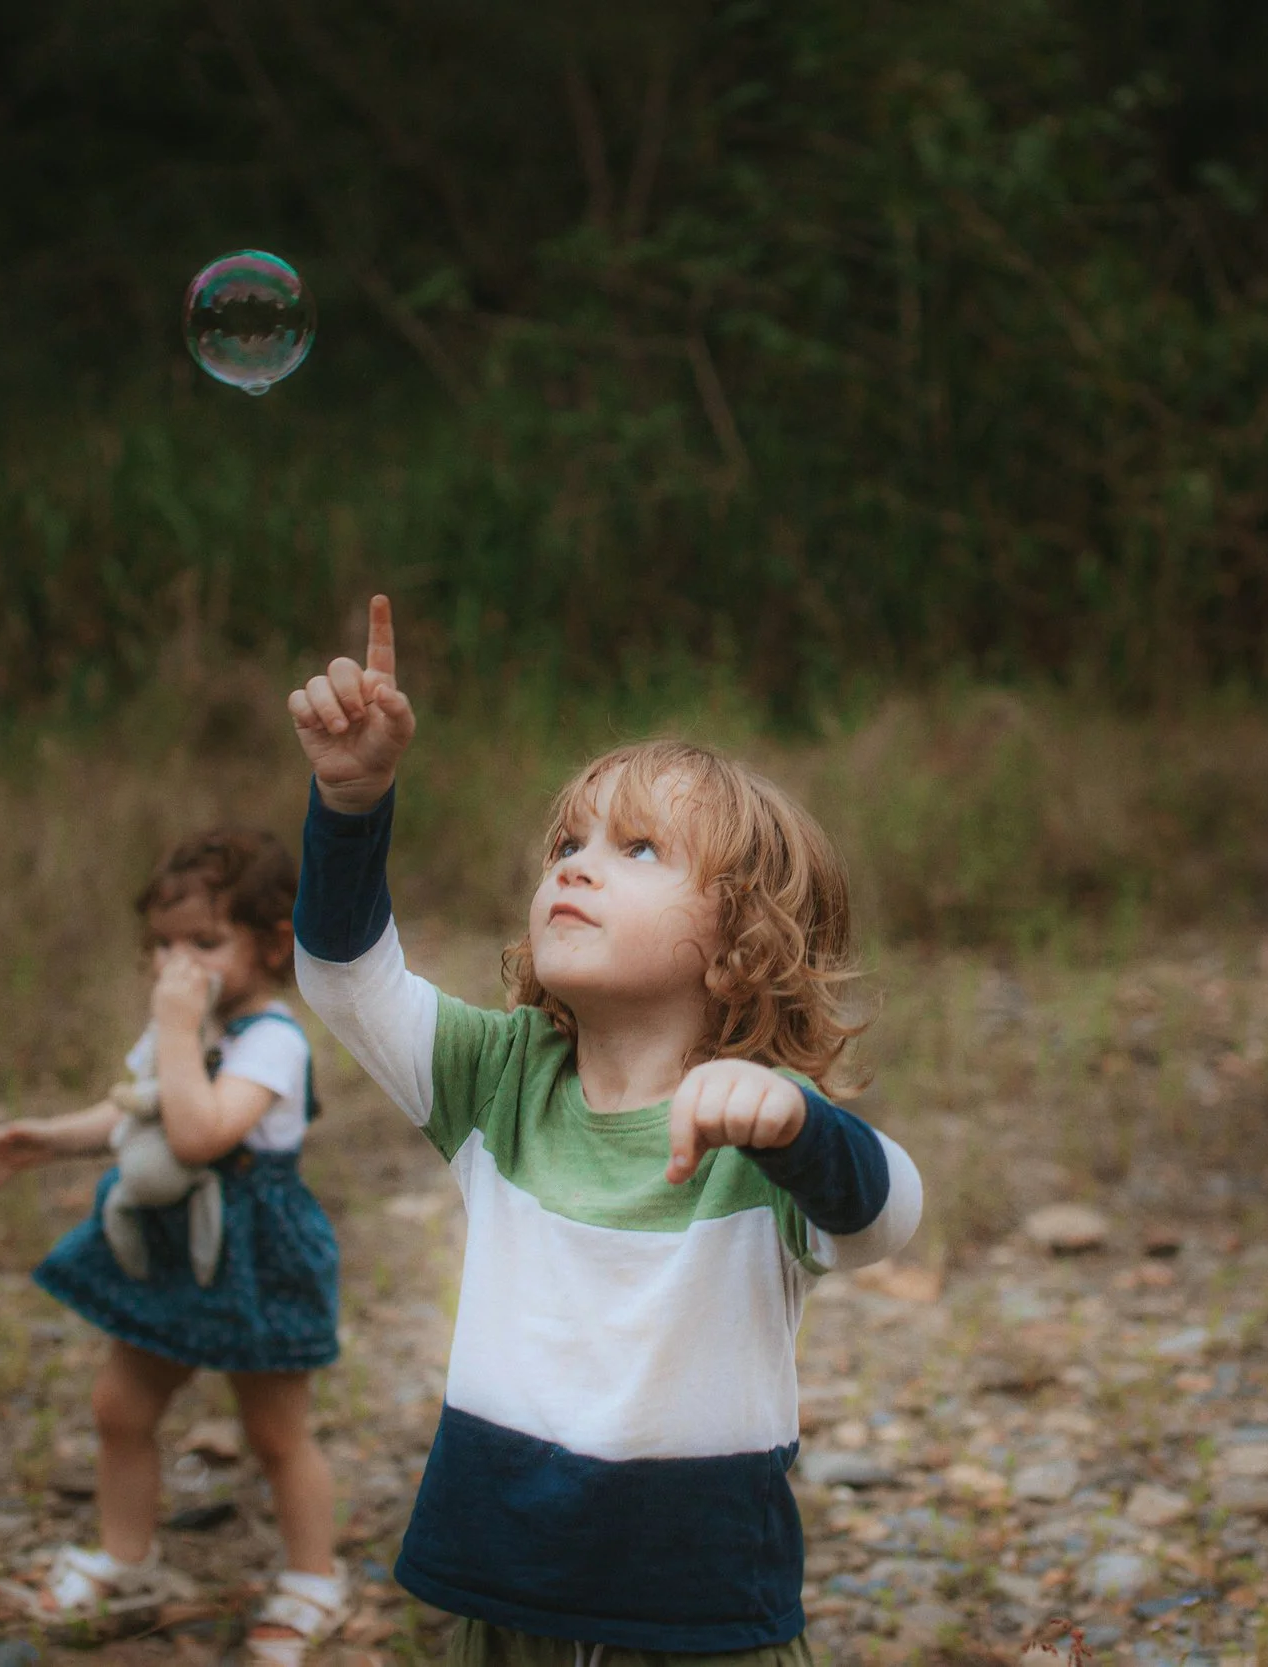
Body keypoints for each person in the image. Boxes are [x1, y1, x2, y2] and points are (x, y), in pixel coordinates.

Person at [287, 596, 924, 1664]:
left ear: (738, 948)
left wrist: (797, 1124)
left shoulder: (765, 1133)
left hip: (700, 1610)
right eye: (567, 844)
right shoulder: (498, 1081)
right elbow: (348, 983)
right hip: (504, 1585)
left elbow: (887, 1219)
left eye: (637, 849)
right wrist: (351, 802)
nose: (575, 865)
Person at [0, 829, 350, 1664]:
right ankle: (126, 1554)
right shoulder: (181, 1027)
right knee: (122, 1406)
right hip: (168, 1248)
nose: (177, 966)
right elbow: (135, 1110)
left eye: (205, 943)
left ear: (272, 943)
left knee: (275, 1431)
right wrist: (55, 1136)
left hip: (254, 1252)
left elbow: (197, 1133)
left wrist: (177, 1029)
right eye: (164, 946)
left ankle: (314, 1578)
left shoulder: (273, 1041)